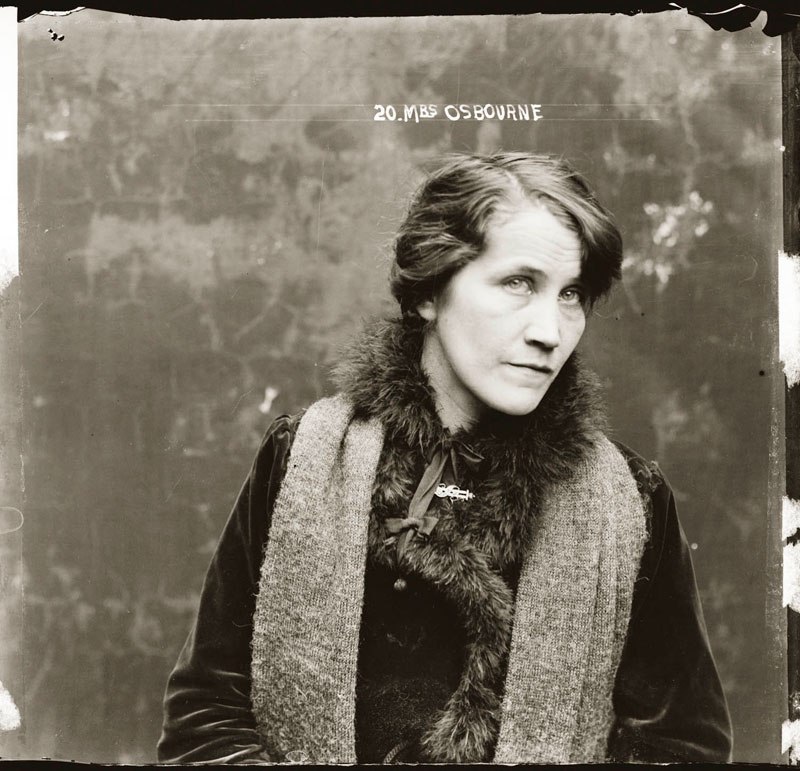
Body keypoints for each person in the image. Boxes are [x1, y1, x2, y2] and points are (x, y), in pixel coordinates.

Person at [157, 152, 732, 764]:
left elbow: (682, 748)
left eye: (572, 294)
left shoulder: (630, 499)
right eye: (518, 283)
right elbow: (204, 720)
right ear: (430, 290)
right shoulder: (302, 459)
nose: (550, 331)